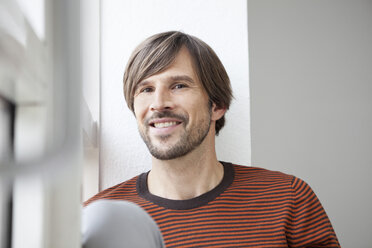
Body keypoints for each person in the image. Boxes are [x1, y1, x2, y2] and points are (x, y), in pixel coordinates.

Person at [84, 31, 340, 247]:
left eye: (179, 86)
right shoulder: (92, 220)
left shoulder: (288, 199)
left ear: (217, 105)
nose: (159, 103)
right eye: (146, 89)